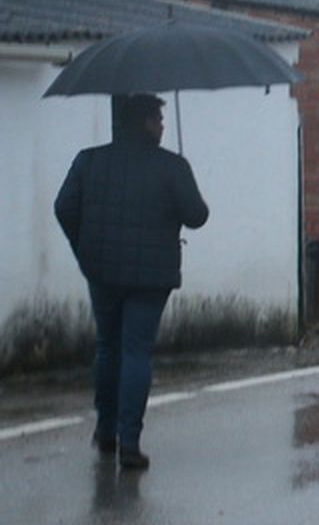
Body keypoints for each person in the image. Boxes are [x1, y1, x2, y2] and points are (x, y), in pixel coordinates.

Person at [54, 94, 209, 471]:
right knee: (136, 351)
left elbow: (63, 207)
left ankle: (105, 432)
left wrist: (84, 249)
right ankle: (130, 442)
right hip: (151, 277)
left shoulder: (89, 160)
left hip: (102, 273)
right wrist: (183, 177)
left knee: (108, 347)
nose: (161, 126)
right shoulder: (171, 166)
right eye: (158, 119)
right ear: (143, 122)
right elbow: (197, 216)